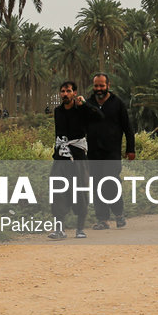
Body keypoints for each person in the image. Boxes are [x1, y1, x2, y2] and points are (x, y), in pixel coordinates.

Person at [48, 81, 103, 240]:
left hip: (78, 159)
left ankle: (80, 229)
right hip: (60, 159)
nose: (65, 94)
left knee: (80, 192)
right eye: (63, 91)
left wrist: (85, 105)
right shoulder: (58, 111)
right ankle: (60, 230)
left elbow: (99, 117)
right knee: (57, 192)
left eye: (68, 91)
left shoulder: (82, 110)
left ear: (74, 93)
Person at [86, 73, 136, 230]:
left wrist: (130, 149)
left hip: (112, 152)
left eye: (101, 85)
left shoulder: (117, 103)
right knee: (96, 185)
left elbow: (128, 128)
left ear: (108, 85)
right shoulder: (88, 104)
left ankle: (118, 213)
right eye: (96, 86)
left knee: (110, 182)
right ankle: (102, 219)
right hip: (93, 153)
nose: (99, 89)